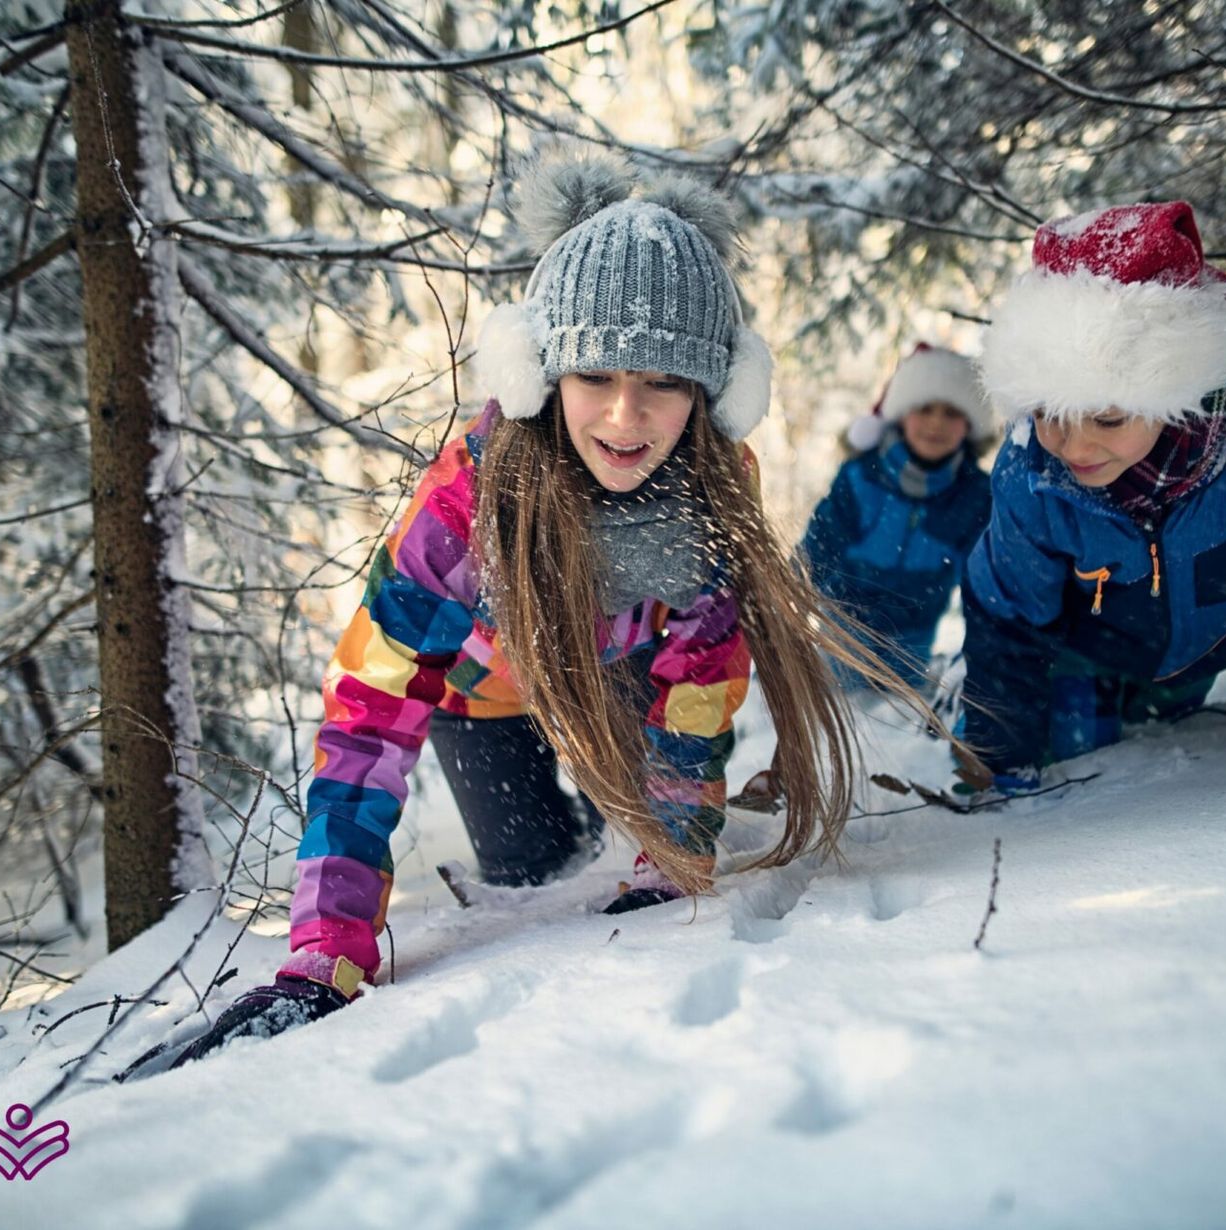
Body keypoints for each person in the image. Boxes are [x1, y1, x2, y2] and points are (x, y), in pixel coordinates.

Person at [173, 150, 938, 1063]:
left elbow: (698, 688)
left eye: (663, 382)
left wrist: (672, 857)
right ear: (542, 375)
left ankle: (630, 832)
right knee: (532, 869)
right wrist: (326, 946)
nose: (624, 416)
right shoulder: (465, 502)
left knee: (629, 866)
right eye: (594, 376)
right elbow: (370, 712)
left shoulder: (713, 492)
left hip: (621, 681)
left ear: (710, 393)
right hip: (484, 696)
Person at [958, 200, 1226, 799]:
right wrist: (1000, 753)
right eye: (1047, 412)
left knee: (1165, 738)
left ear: (1177, 391)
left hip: (1207, 649)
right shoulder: (1032, 471)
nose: (1073, 445)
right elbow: (1006, 609)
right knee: (1078, 760)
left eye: (1107, 418)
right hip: (1083, 657)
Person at [802, 344, 993, 689]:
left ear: (969, 425)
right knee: (840, 699)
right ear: (903, 414)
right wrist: (789, 602)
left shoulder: (975, 496)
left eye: (951, 412)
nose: (936, 423)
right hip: (845, 622)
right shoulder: (862, 476)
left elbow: (983, 579)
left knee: (896, 708)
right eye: (925, 408)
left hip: (914, 631)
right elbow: (820, 545)